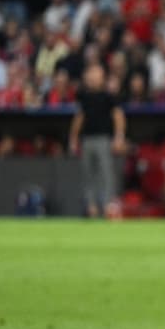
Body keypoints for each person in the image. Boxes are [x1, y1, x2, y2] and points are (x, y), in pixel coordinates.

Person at [69, 63, 127, 218]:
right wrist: (74, 138)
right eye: (91, 74)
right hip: (87, 140)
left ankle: (108, 205)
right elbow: (79, 118)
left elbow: (118, 116)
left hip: (103, 139)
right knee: (88, 174)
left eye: (96, 74)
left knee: (106, 173)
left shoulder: (109, 97)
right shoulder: (84, 97)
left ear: (102, 78)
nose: (93, 77)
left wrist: (119, 136)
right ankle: (91, 206)